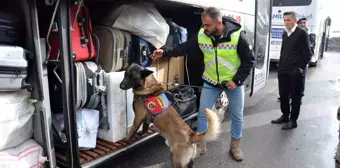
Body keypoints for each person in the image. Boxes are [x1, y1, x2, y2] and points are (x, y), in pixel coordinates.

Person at [151, 7, 255, 161]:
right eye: (203, 24)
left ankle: (235, 146)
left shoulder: (238, 36)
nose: (204, 28)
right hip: (211, 81)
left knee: (237, 115)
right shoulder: (202, 34)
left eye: (207, 25)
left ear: (219, 23)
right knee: (202, 114)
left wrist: (237, 80)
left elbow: (249, 61)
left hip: (233, 83)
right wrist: (165, 51)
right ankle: (200, 146)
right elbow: (184, 47)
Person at [271, 11, 312, 130]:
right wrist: (280, 65)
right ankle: (285, 116)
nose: (286, 22)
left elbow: (307, 54)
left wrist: (299, 68)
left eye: (288, 20)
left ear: (295, 20)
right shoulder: (285, 34)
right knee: (283, 95)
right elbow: (283, 50)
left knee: (295, 96)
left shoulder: (302, 33)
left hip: (295, 71)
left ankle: (293, 120)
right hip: (283, 69)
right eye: (284, 20)